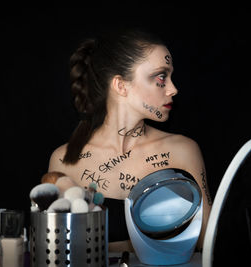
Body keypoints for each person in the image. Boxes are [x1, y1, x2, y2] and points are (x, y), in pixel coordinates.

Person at [48, 27, 212, 252]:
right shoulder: (65, 160)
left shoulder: (183, 150)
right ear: (121, 86)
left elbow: (208, 243)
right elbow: (57, 250)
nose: (173, 89)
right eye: (161, 77)